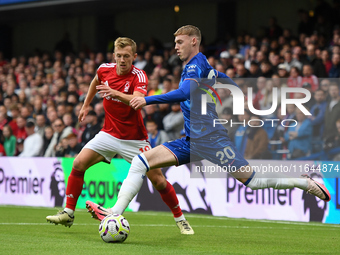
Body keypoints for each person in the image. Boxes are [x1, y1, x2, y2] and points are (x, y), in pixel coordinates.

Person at [85, 25, 330, 222]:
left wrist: (146, 100)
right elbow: (221, 78)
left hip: (211, 140)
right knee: (141, 162)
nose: (176, 47)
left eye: (180, 42)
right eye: (175, 43)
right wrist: (233, 89)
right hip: (192, 141)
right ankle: (114, 212)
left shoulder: (194, 64)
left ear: (194, 41)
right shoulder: (203, 66)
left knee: (253, 181)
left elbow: (184, 93)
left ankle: (305, 182)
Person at [46, 37, 194, 235]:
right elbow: (95, 81)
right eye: (118, 56)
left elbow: (138, 100)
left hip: (135, 139)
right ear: (113, 55)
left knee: (158, 181)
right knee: (78, 163)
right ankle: (68, 213)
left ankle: (180, 219)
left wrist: (114, 93)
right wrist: (86, 104)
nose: (122, 60)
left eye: (126, 56)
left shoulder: (139, 76)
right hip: (108, 133)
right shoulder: (104, 69)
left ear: (134, 56)